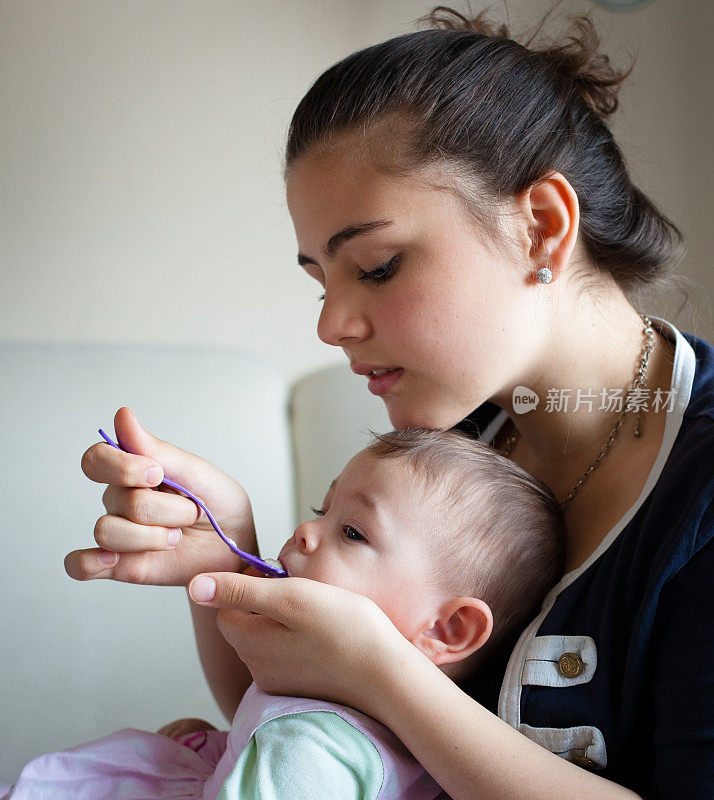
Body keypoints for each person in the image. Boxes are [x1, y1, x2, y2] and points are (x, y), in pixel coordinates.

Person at [65, 4, 714, 799]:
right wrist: (227, 545)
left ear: (542, 225)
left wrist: (380, 671)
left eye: (374, 266)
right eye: (319, 281)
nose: (332, 324)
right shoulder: (460, 439)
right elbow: (323, 756)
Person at [5, 429, 565, 799]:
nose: (304, 530)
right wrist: (222, 748)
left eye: (352, 532)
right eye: (323, 509)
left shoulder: (310, 751)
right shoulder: (340, 727)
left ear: (448, 629)